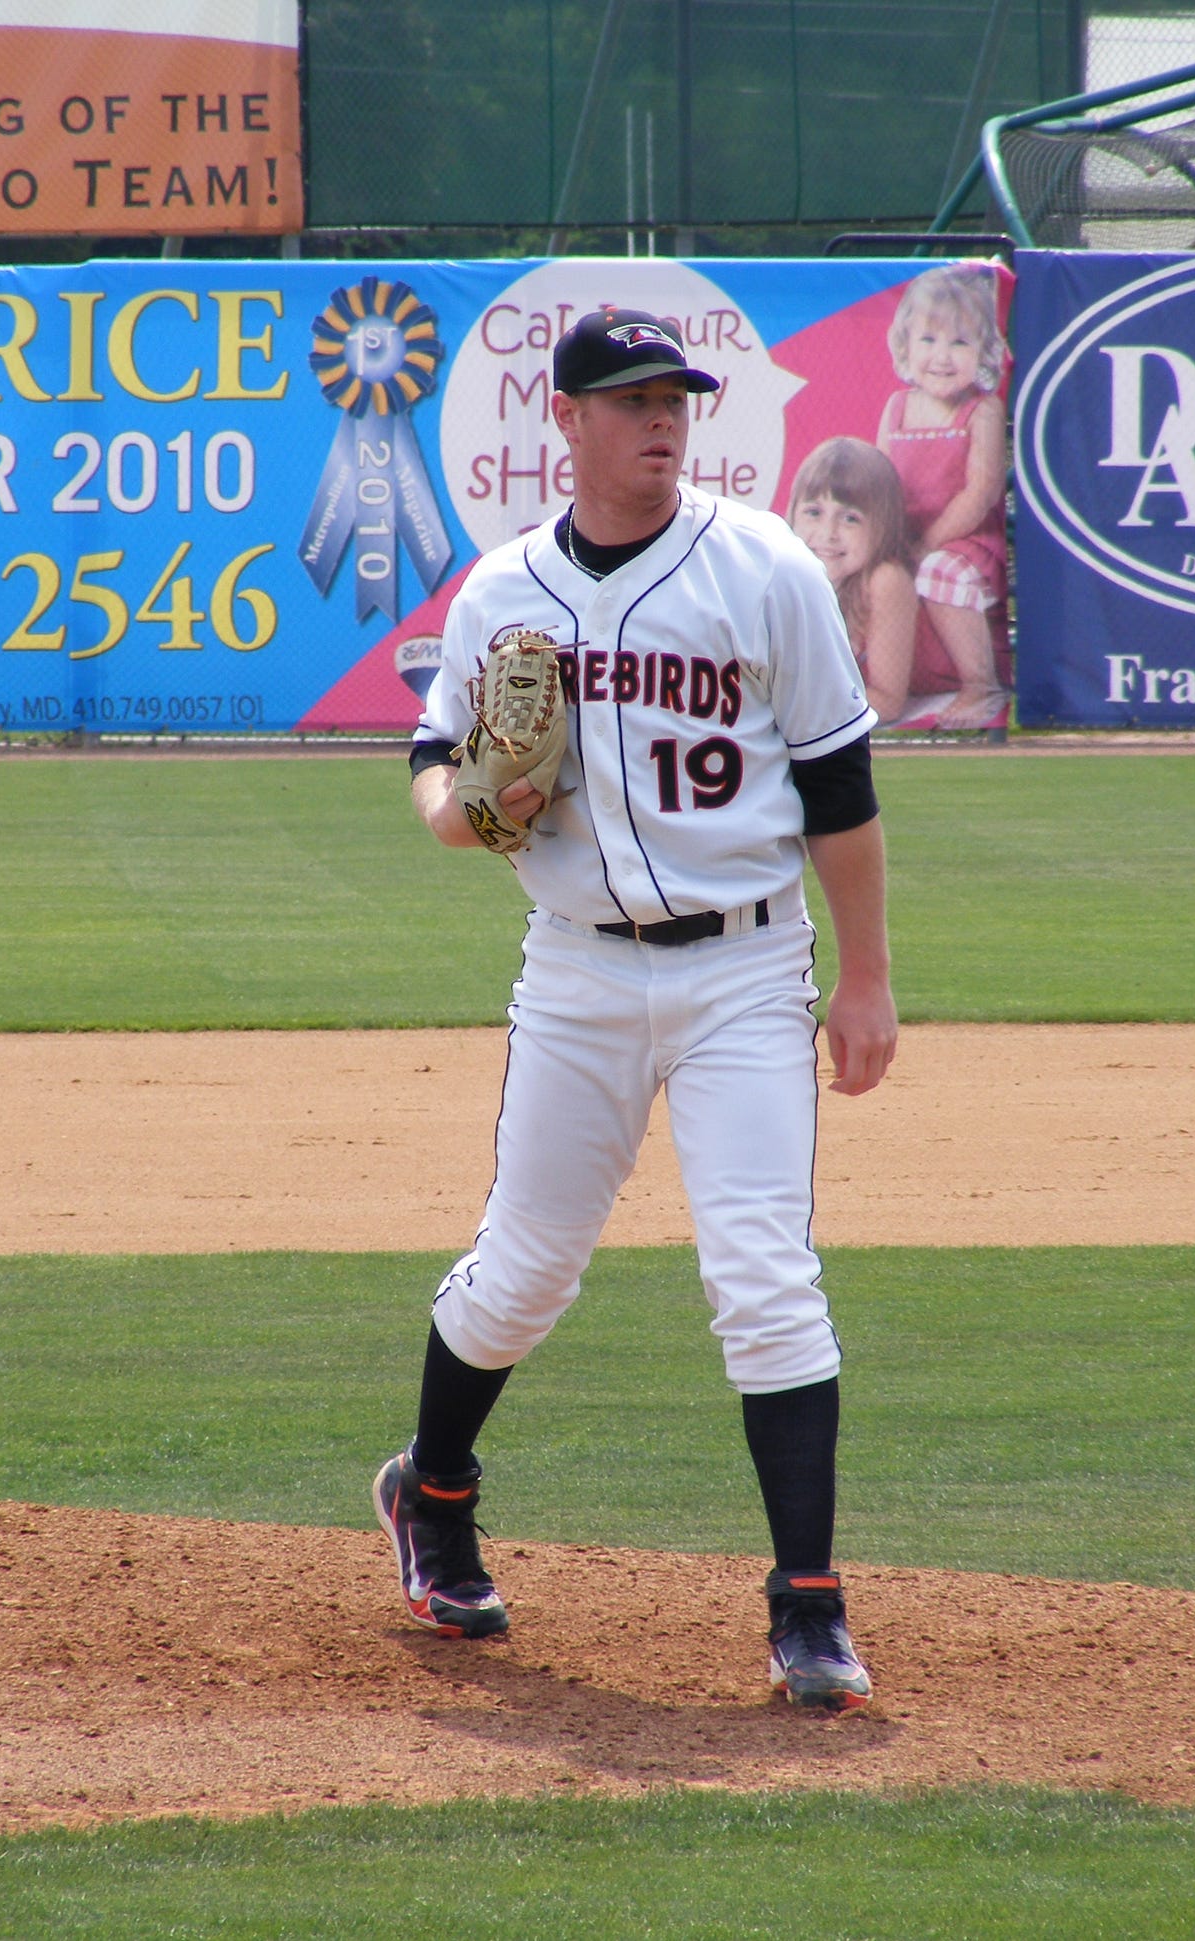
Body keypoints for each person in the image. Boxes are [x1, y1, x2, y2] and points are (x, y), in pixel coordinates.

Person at [374, 305, 897, 1711]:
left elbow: (841, 791)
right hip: (581, 968)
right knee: (524, 1267)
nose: (661, 418)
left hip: (745, 966)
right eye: (629, 396)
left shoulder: (762, 568)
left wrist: (865, 979)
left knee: (764, 1277)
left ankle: (808, 1605)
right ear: (569, 418)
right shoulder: (501, 591)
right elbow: (434, 766)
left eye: (675, 395)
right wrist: (468, 810)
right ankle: (432, 1495)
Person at [877, 264, 1012, 731]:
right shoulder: (896, 408)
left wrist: (929, 542)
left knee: (939, 571)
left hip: (967, 545)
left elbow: (981, 492)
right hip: (908, 538)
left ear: (984, 351)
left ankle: (981, 682)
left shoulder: (983, 410)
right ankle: (883, 682)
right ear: (906, 345)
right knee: (870, 575)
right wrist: (888, 545)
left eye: (960, 343)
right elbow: (881, 486)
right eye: (929, 340)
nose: (942, 356)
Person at [788, 436, 920, 726]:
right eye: (813, 512)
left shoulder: (885, 580)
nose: (828, 533)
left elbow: (888, 702)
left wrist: (791, 704)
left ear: (882, 524)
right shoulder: (784, 574)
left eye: (850, 518)